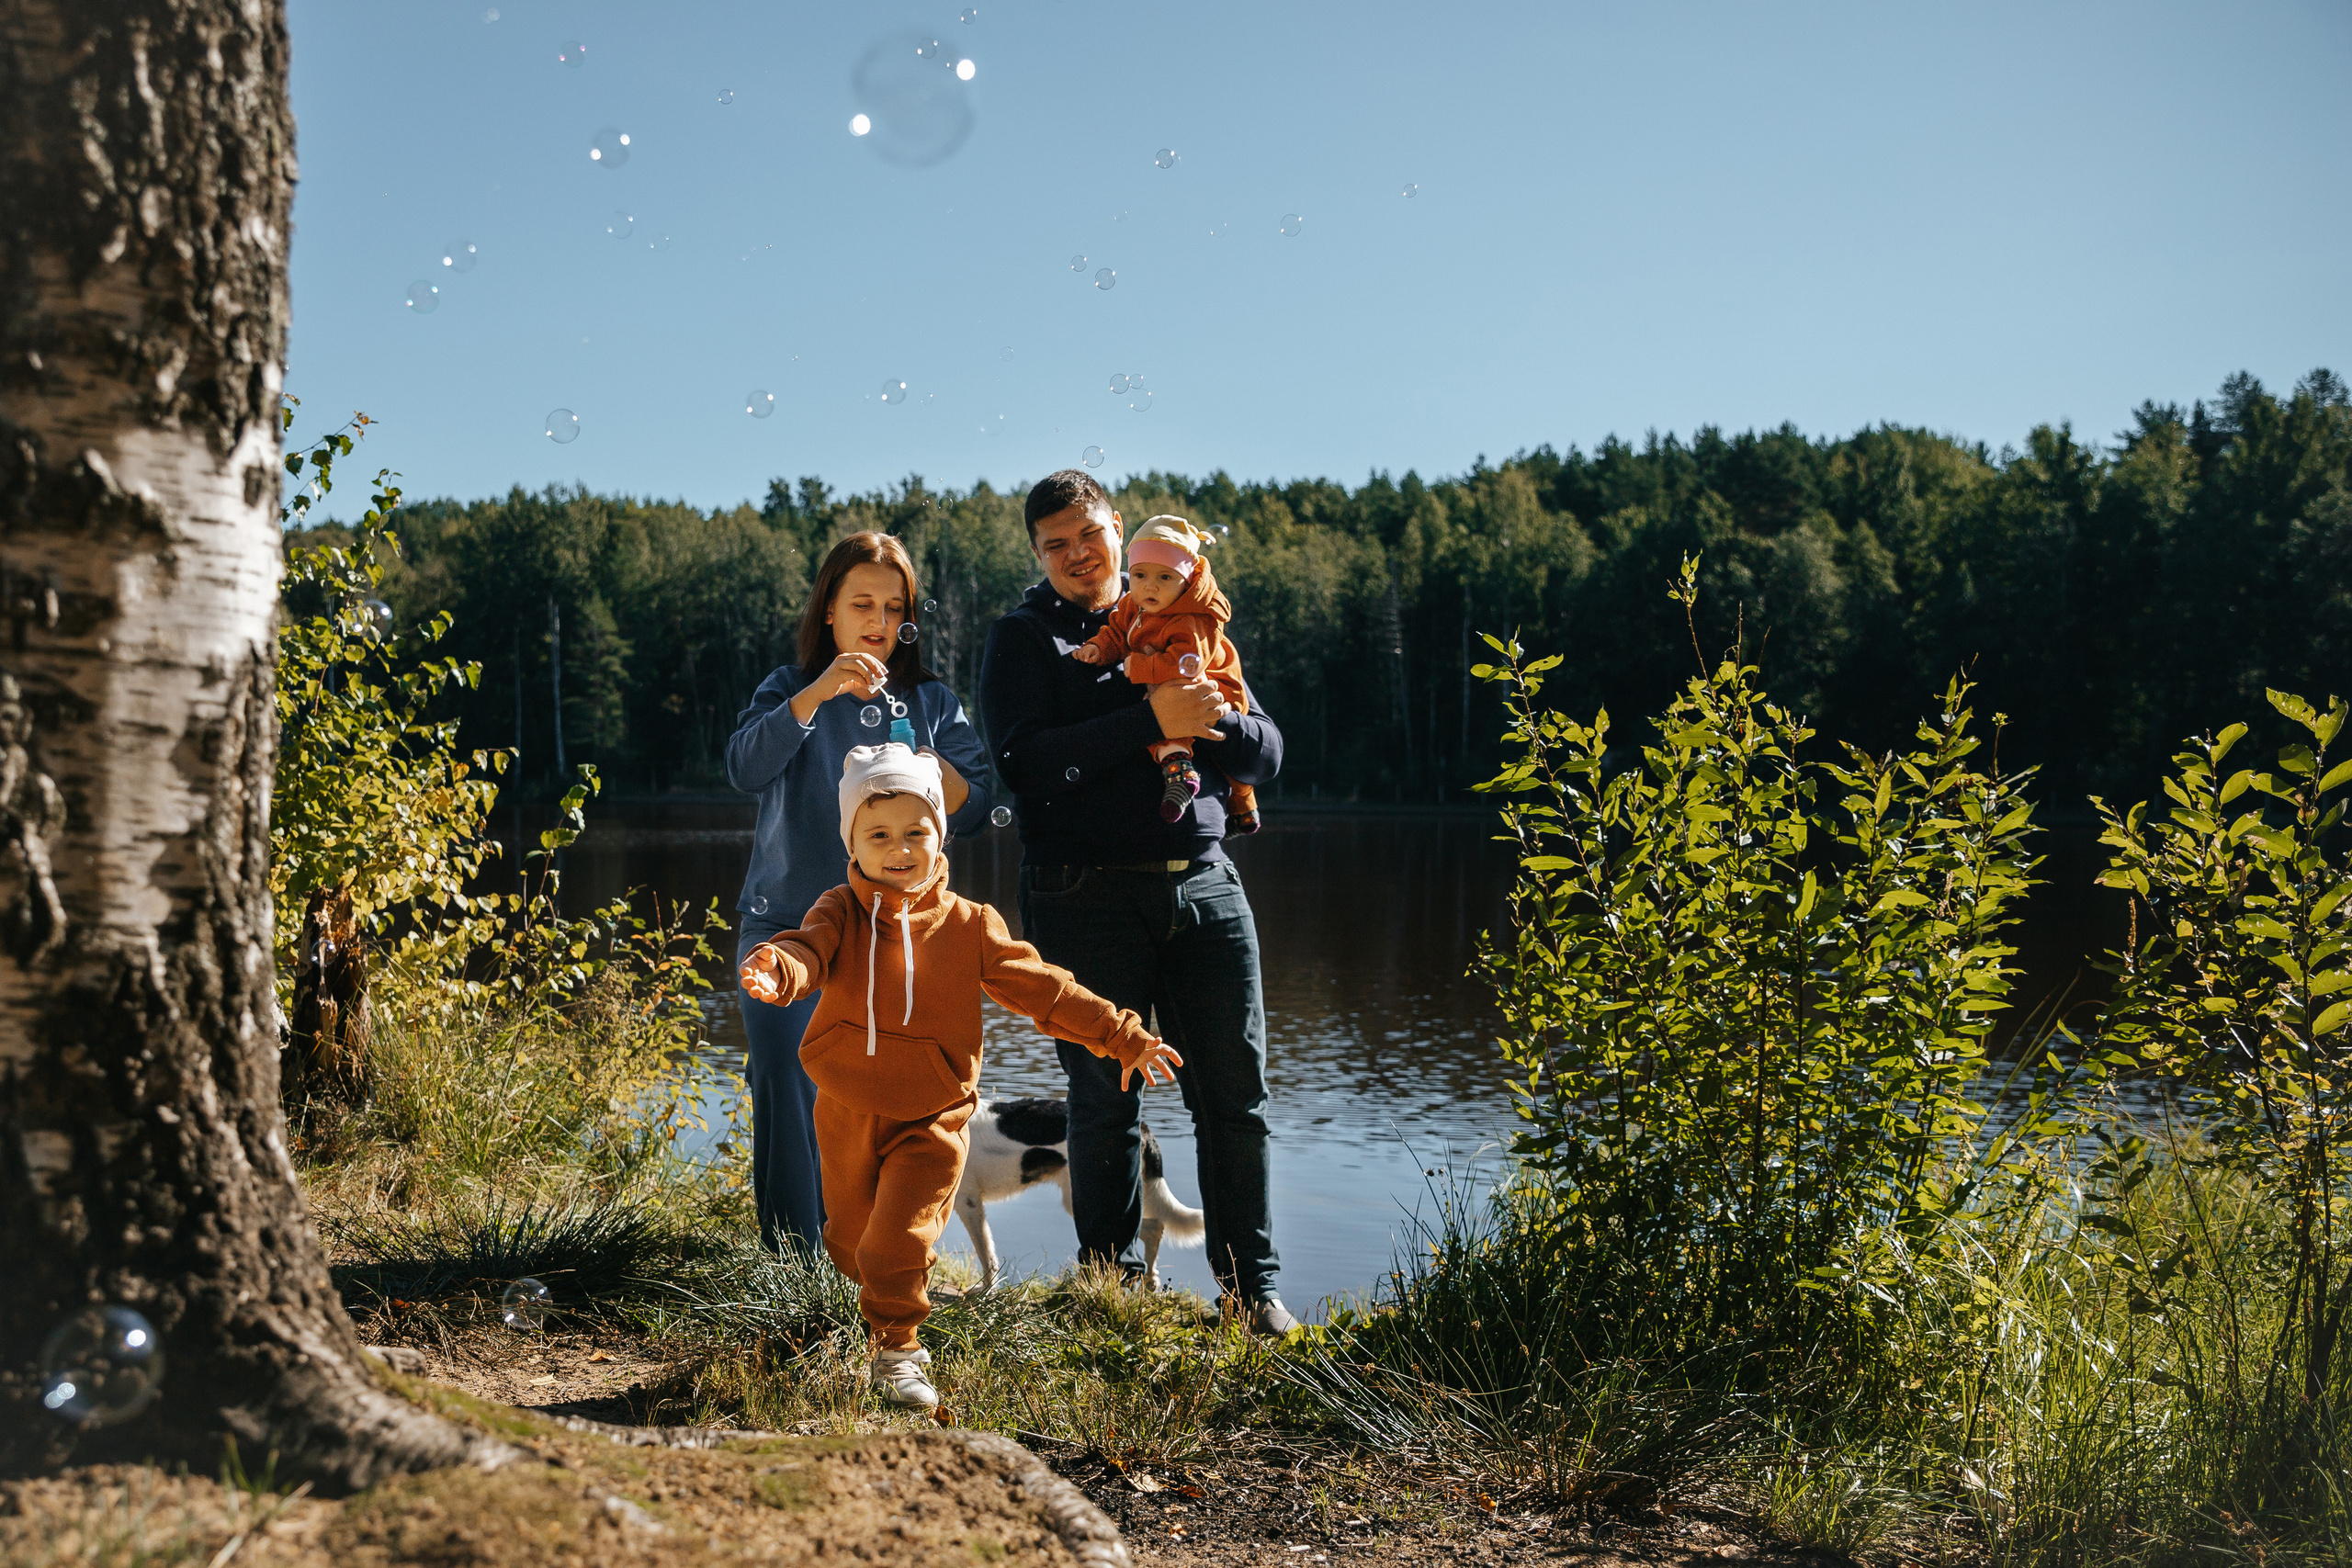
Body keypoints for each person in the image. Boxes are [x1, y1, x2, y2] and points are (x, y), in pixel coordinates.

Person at [740, 744, 1182, 1406]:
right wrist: (778, 967)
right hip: (847, 1110)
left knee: (897, 1238)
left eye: (917, 831)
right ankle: (870, 1309)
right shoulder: (837, 909)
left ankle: (898, 1353)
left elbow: (1046, 990)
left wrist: (1121, 1035)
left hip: (933, 1118)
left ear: (939, 836)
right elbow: (808, 952)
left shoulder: (970, 925)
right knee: (852, 1240)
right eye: (879, 834)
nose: (900, 848)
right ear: (852, 843)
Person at [978, 469, 1297, 1336]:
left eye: (1090, 534)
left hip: (1205, 884)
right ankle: (1112, 1287)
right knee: (1104, 1097)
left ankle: (1250, 1291)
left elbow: (1264, 755)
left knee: (1235, 1096)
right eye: (1056, 545)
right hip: (1081, 893)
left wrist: (1209, 720)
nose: (1079, 555)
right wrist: (1145, 711)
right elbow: (1026, 766)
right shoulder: (1025, 638)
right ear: (1037, 554)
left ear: (1120, 527)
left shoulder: (1190, 614)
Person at [727, 532, 989, 1256]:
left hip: (890, 936)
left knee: (882, 1106)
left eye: (893, 606)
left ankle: (872, 1263)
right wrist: (818, 693)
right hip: (783, 927)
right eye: (862, 603)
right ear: (830, 613)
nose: (878, 620)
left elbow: (975, 799)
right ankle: (794, 1268)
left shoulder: (930, 701)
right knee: (785, 1079)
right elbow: (744, 767)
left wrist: (921, 759)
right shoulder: (788, 687)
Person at [1070, 514, 1261, 834]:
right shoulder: (1135, 604)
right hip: (1181, 684)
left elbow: (1189, 662)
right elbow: (1118, 631)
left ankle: (1189, 776)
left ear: (1186, 581)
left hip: (1216, 688)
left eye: (1165, 577)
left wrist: (1142, 667)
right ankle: (1236, 804)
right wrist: (1099, 648)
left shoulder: (1191, 618)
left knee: (1172, 702)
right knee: (1164, 700)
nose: (1150, 586)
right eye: (1140, 574)